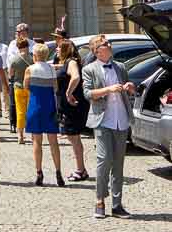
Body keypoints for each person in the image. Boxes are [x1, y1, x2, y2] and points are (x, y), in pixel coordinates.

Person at [82, 34, 135, 220]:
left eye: (108, 43)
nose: (109, 45)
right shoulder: (90, 69)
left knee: (118, 164)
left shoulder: (120, 66)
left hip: (121, 119)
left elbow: (130, 89)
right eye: (105, 44)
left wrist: (130, 87)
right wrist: (108, 89)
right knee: (104, 160)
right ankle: (99, 200)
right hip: (102, 120)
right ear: (97, 51)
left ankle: (117, 204)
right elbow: (88, 94)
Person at [24, 43, 64, 187]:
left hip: (35, 106)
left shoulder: (29, 69)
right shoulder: (51, 69)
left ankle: (39, 172)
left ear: (35, 55)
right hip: (49, 106)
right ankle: (58, 172)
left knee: (37, 141)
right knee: (54, 142)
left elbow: (25, 86)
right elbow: (55, 87)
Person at [54, 39, 89, 181]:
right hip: (68, 105)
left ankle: (81, 170)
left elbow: (75, 77)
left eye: (58, 48)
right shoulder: (67, 62)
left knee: (74, 138)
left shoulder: (71, 62)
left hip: (72, 106)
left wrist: (69, 93)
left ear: (65, 50)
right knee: (73, 138)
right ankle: (81, 168)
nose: (56, 50)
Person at [8, 35, 33, 144]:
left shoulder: (14, 59)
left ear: (18, 47)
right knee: (31, 111)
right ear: (27, 46)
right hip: (30, 87)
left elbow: (10, 74)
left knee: (20, 112)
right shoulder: (32, 58)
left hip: (18, 87)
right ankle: (33, 135)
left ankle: (20, 136)